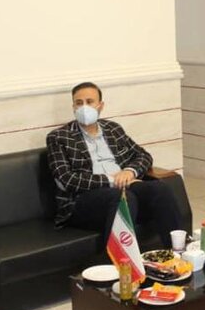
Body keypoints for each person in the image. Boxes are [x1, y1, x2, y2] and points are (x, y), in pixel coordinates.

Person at [46, 82, 183, 247]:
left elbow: (143, 155)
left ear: (100, 105)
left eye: (89, 102)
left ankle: (178, 250)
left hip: (124, 187)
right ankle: (117, 261)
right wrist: (113, 180)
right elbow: (67, 180)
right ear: (73, 107)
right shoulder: (59, 137)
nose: (84, 107)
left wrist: (129, 172)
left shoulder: (113, 129)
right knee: (122, 197)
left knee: (159, 189)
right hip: (82, 200)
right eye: (79, 103)